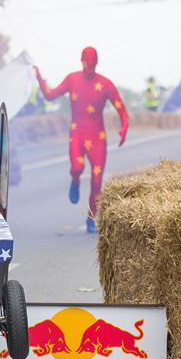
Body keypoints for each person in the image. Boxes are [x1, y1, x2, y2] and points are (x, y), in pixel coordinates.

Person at [34, 47, 129, 233]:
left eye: (91, 63)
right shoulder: (72, 79)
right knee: (77, 166)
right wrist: (39, 78)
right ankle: (75, 179)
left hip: (97, 137)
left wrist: (124, 127)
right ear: (81, 60)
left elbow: (121, 109)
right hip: (77, 132)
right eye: (85, 62)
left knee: (96, 179)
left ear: (96, 63)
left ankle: (91, 218)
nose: (88, 66)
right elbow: (50, 95)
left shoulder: (105, 84)